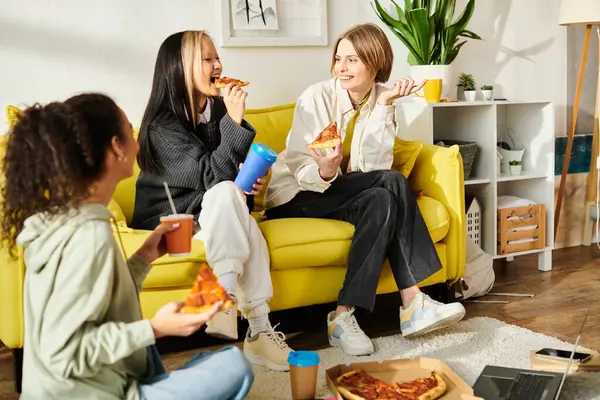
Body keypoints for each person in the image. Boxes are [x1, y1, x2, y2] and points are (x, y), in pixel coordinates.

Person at [0, 93, 254, 399]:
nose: (138, 140)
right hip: (93, 393)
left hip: (73, 386)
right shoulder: (87, 235)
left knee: (192, 360)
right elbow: (62, 352)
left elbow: (105, 301)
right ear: (117, 148)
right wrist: (156, 328)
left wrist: (144, 256)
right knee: (236, 366)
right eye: (129, 128)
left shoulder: (67, 219)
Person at [265, 23, 466, 356]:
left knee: (382, 197)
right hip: (296, 195)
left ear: (375, 63)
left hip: (344, 191)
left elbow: (373, 169)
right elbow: (300, 168)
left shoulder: (380, 99)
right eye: (338, 59)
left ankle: (342, 317)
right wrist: (324, 170)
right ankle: (413, 301)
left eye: (352, 60)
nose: (341, 68)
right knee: (393, 183)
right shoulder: (316, 97)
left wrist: (385, 104)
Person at [130, 30, 292, 371]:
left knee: (250, 228)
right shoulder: (162, 127)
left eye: (217, 57)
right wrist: (234, 122)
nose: (218, 65)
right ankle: (227, 302)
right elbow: (211, 178)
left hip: (215, 212)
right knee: (225, 196)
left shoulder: (215, 108)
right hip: (174, 221)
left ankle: (255, 326)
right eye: (207, 59)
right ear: (179, 67)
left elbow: (231, 177)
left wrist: (250, 183)